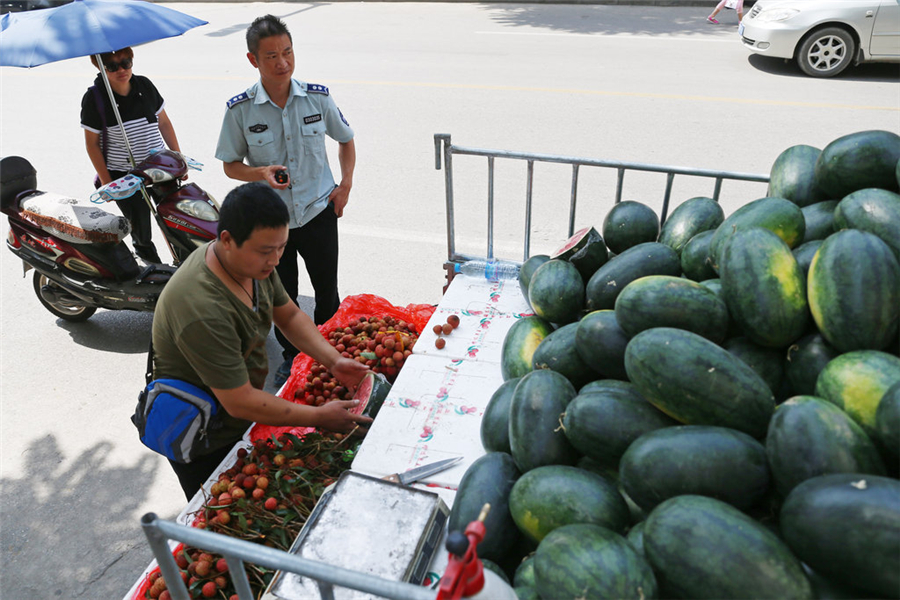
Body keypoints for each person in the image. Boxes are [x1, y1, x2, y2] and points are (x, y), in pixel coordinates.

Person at [151, 182, 372, 499]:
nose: (276, 259)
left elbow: (290, 316)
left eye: (281, 247)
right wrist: (319, 417)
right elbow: (239, 401)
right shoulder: (202, 308)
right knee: (221, 514)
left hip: (238, 413)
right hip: (201, 434)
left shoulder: (251, 262)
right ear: (226, 240)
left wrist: (334, 361)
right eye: (267, 251)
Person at [215, 14, 356, 388]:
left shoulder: (317, 98)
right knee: (284, 297)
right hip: (272, 226)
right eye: (272, 56)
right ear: (253, 61)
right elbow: (230, 165)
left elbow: (346, 139)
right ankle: (293, 359)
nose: (283, 63)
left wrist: (345, 185)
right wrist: (258, 173)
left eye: (288, 52)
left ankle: (329, 352)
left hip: (318, 212)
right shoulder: (240, 110)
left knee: (327, 291)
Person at [80, 47, 182, 264]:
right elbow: (92, 145)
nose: (122, 70)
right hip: (124, 176)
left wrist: (178, 159)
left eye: (126, 62)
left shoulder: (144, 85)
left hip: (160, 167)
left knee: (176, 220)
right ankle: (154, 271)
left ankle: (184, 263)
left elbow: (163, 122)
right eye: (113, 66)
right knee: (141, 230)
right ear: (100, 67)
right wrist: (108, 183)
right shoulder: (94, 98)